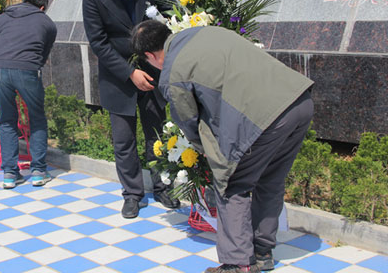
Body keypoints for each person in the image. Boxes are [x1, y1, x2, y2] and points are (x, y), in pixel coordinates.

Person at [131, 20, 315, 273]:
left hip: (263, 119)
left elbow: (187, 120)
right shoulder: (206, 32)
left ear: (150, 56)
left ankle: (237, 263)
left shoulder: (173, 71)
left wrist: (205, 149)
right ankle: (262, 252)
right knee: (270, 180)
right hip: (298, 101)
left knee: (232, 184)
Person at [82, 0, 180, 218]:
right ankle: (133, 194)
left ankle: (163, 186)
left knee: (157, 134)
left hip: (153, 71)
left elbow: (172, 14)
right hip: (118, 76)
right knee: (124, 141)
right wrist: (129, 72)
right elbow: (98, 43)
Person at [0, 0, 57, 189]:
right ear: (42, 7)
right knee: (36, 117)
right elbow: (42, 56)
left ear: (23, 1)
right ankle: (38, 171)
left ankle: (10, 174)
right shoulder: (47, 23)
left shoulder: (2, 18)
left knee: (7, 118)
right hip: (26, 69)